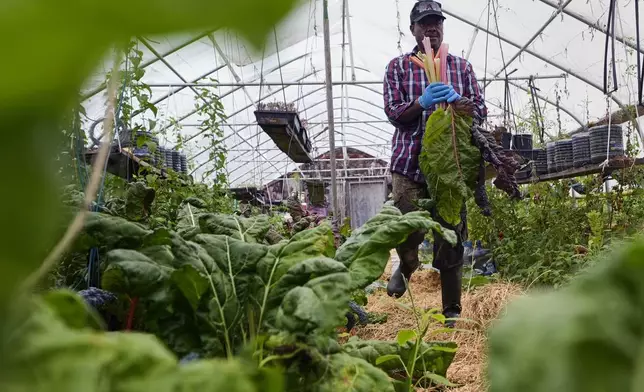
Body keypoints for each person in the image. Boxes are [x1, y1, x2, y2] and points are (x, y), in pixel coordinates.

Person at [382, 0, 487, 326]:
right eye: (424, 23)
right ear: (412, 29)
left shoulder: (461, 68)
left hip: (449, 165)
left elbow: (480, 112)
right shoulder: (398, 67)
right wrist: (421, 102)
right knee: (406, 224)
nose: (432, 28)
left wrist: (460, 103)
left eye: (436, 22)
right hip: (408, 164)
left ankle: (452, 311)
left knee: (451, 233)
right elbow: (394, 112)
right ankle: (408, 265)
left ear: (443, 26)